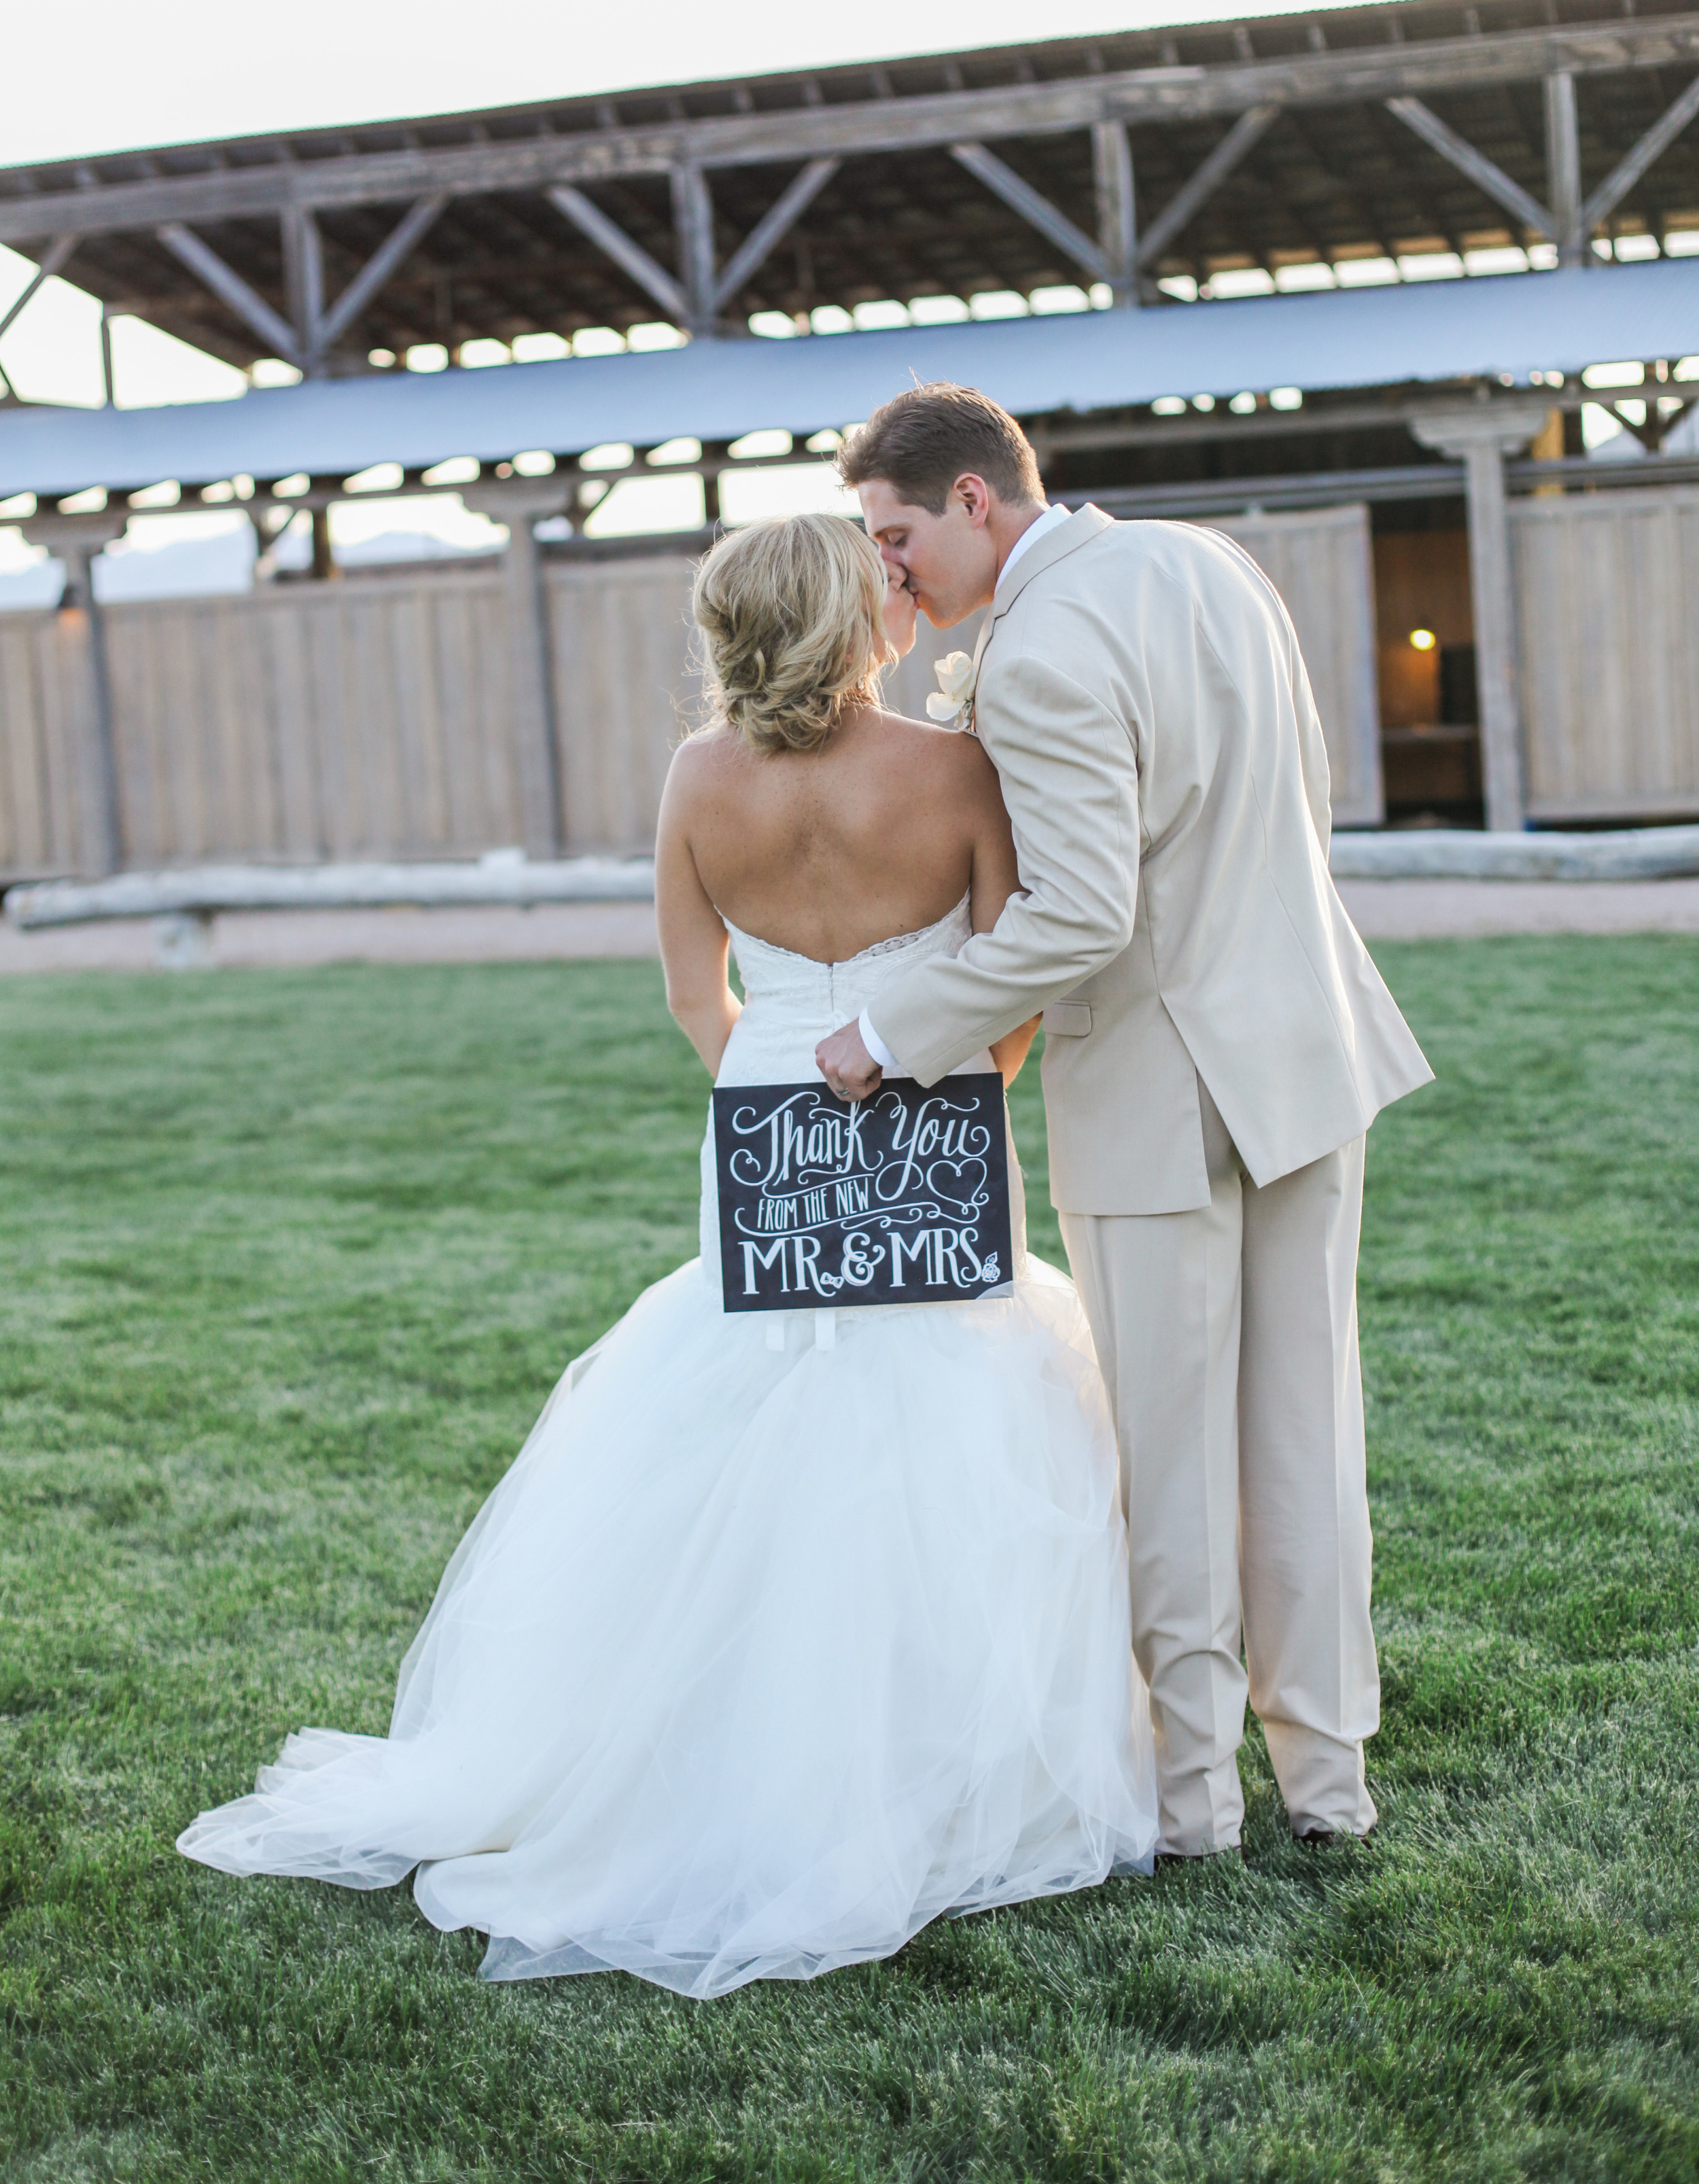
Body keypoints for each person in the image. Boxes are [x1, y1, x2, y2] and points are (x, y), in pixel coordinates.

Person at [177, 512, 1158, 1998]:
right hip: (930, 1109)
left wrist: (765, 1084)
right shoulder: (953, 772)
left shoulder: (696, 781)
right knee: (961, 1399)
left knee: (753, 1405)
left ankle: (713, 1749)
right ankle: (932, 1769)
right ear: (851, 624)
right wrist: (946, 1087)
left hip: (764, 1113)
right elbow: (1004, 974)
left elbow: (693, 999)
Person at [817, 385, 1432, 1861]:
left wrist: (894, 1033)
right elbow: (1302, 798)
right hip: (1304, 1047)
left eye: (894, 537)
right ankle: (1329, 1784)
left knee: (1171, 1448)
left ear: (974, 499)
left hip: (1158, 1087)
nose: (888, 574)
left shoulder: (1030, 656)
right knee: (1303, 1426)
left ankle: (1193, 1802)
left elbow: (1080, 915)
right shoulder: (1211, 565)